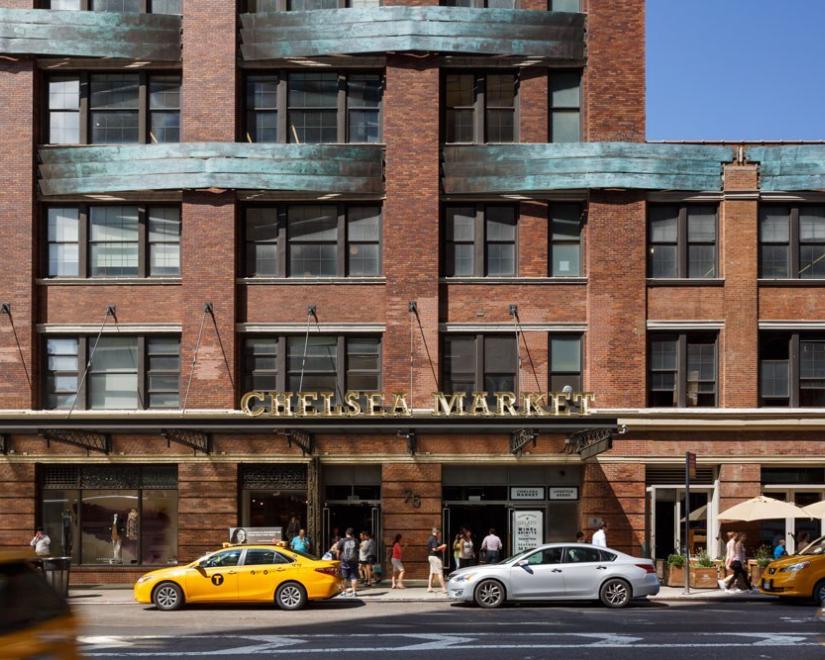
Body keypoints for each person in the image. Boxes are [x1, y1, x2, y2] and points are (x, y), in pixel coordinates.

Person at [335, 528, 360, 598]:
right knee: (354, 577)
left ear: (346, 533)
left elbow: (338, 551)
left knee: (344, 577)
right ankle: (354, 592)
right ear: (353, 534)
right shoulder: (356, 540)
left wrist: (338, 559)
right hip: (354, 561)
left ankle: (344, 592)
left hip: (344, 561)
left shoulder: (342, 540)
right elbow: (358, 549)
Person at [426, 528, 447, 593]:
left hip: (430, 557)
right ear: (437, 532)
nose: (440, 534)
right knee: (440, 572)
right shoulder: (434, 538)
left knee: (431, 573)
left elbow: (435, 549)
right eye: (439, 533)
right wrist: (443, 546)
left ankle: (429, 587)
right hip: (435, 557)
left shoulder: (430, 538)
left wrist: (442, 548)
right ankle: (443, 588)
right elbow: (434, 549)